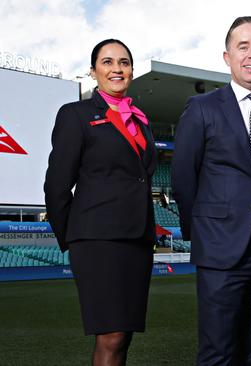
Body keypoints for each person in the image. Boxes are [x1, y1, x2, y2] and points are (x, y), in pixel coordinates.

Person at [171, 16, 251, 366]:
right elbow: (183, 178)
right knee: (218, 353)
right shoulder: (202, 108)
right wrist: (201, 236)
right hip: (219, 249)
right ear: (227, 57)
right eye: (243, 47)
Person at [44, 39, 157, 366]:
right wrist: (75, 236)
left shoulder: (141, 119)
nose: (117, 69)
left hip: (137, 238)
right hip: (97, 239)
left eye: (124, 62)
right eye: (107, 62)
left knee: (125, 336)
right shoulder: (75, 114)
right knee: (111, 335)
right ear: (93, 71)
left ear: (132, 71)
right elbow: (57, 185)